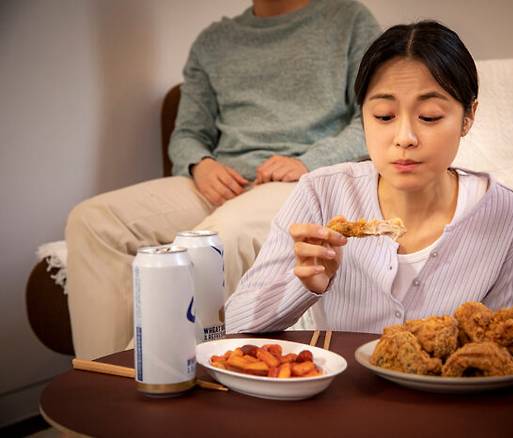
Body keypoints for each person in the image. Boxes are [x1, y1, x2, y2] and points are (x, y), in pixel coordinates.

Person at [65, 0, 380, 359]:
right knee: (92, 221)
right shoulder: (214, 41)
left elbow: (371, 118)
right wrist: (200, 163)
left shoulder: (349, 19)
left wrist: (307, 162)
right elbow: (186, 134)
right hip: (221, 180)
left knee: (214, 241)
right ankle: (105, 376)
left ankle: (166, 372)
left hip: (294, 183)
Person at [225, 20, 513, 334]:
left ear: (468, 117)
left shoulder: (507, 215)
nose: (405, 138)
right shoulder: (320, 193)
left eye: (429, 116)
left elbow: (503, 347)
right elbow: (234, 324)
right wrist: (306, 286)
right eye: (384, 116)